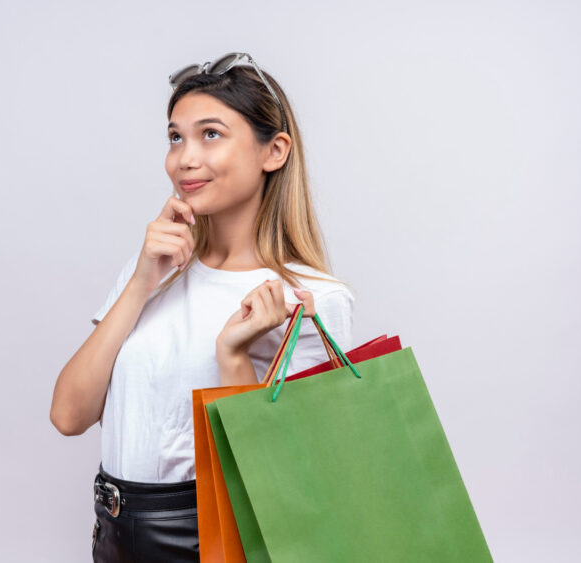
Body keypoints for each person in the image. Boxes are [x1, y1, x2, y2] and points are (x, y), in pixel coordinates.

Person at [50, 52, 356, 562]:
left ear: (274, 151)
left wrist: (233, 356)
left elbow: (295, 487)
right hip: (114, 531)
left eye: (210, 134)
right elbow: (68, 415)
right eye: (175, 137)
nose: (184, 158)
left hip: (212, 540)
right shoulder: (153, 269)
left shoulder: (309, 299)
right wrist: (141, 283)